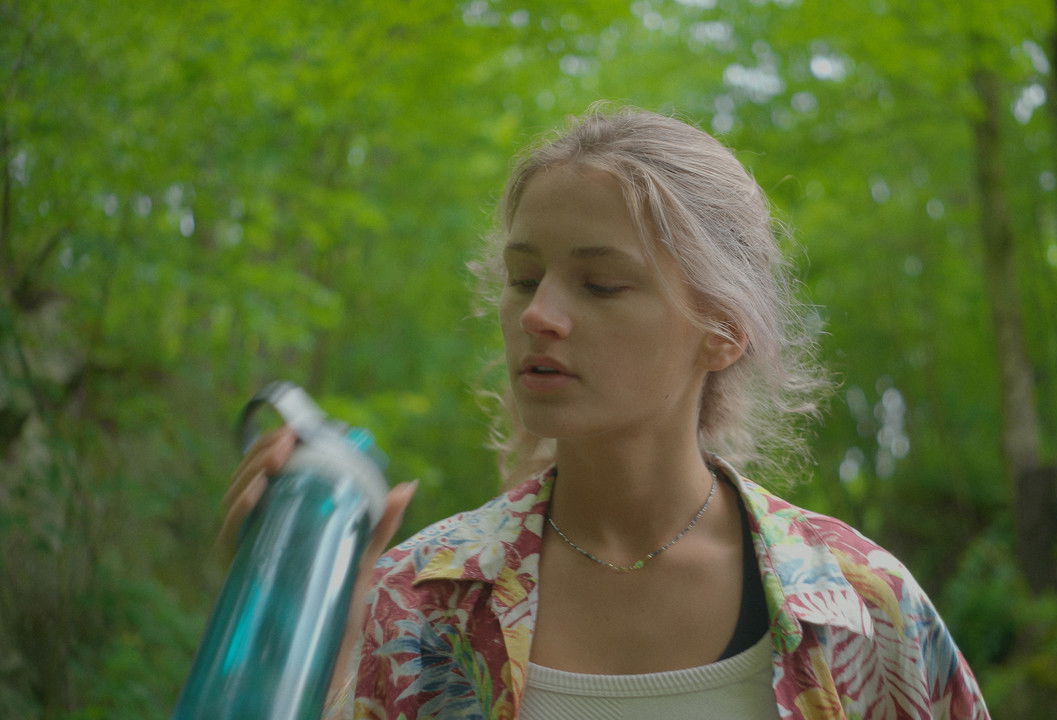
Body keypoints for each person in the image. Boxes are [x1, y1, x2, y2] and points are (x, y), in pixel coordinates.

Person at [221, 105, 989, 719]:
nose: (539, 315)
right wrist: (310, 652)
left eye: (600, 285)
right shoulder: (421, 606)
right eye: (523, 279)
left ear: (722, 331)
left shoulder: (859, 604)